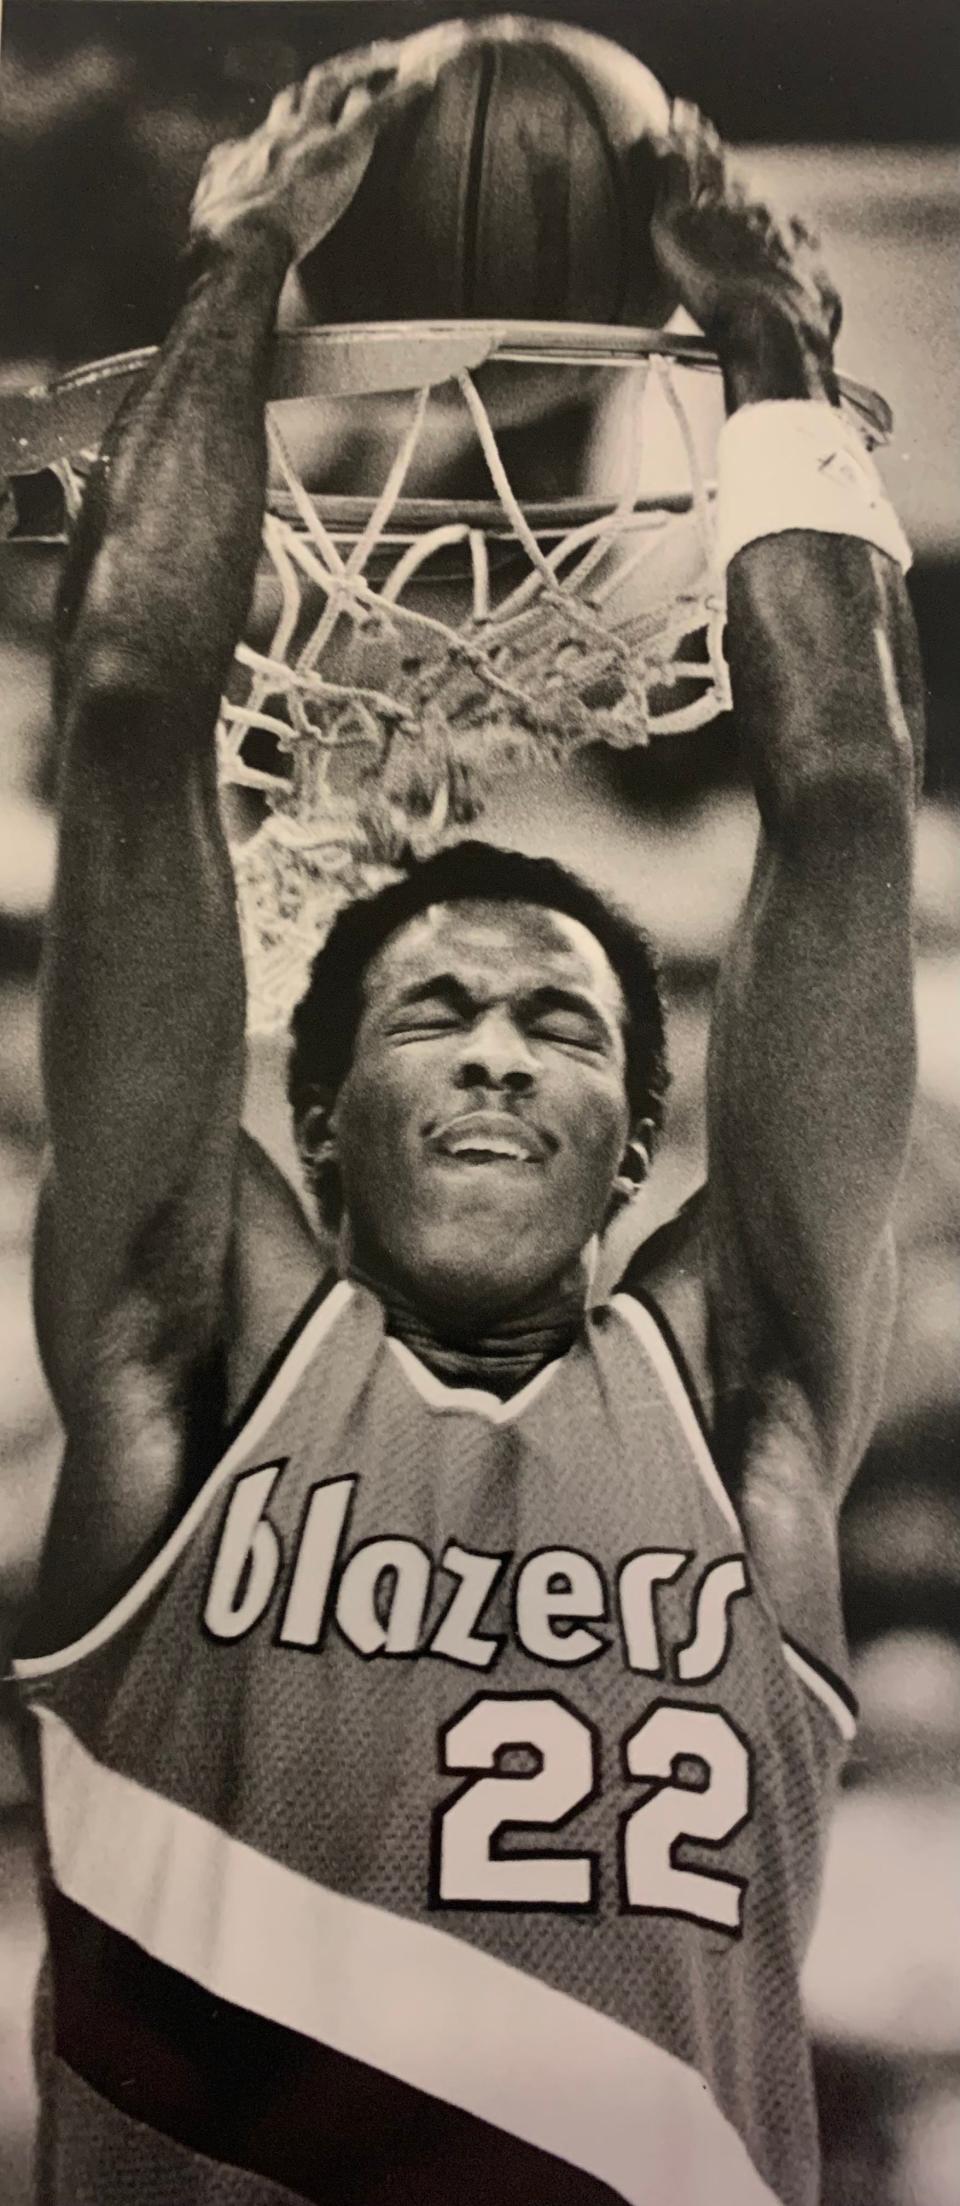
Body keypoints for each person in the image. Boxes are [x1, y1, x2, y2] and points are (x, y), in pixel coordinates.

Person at [14, 22, 923, 2206]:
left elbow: (848, 798)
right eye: (437, 1011)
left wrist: (777, 348)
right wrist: (239, 271)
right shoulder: (192, 1358)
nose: (507, 1042)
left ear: (641, 1150)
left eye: (568, 1022)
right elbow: (137, 727)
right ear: (313, 1134)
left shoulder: (749, 1395)